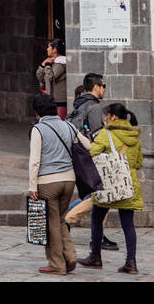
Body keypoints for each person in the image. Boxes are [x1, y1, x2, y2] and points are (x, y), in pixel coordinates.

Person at [28, 92, 89, 275]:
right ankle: (70, 256)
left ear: (37, 112)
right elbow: (87, 146)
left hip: (48, 182)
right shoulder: (68, 126)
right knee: (61, 219)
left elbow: (35, 160)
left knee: (51, 223)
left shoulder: (38, 129)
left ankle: (56, 264)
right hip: (69, 180)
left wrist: (32, 186)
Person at [78, 102, 142, 274]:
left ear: (112, 117)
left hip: (109, 184)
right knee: (128, 224)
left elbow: (92, 153)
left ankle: (95, 257)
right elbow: (138, 162)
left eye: (105, 115)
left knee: (97, 218)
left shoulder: (107, 133)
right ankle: (131, 262)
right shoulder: (134, 135)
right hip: (129, 184)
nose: (104, 119)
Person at [64, 72, 120, 250]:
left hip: (78, 156)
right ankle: (66, 221)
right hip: (91, 157)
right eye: (103, 86)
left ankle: (96, 235)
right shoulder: (95, 108)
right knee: (98, 195)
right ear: (96, 87)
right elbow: (98, 135)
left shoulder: (78, 105)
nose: (104, 89)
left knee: (92, 195)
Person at [36, 39, 68, 118]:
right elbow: (39, 76)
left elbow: (50, 77)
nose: (47, 49)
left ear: (54, 49)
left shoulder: (61, 63)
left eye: (49, 47)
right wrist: (43, 64)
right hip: (50, 99)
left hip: (58, 101)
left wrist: (47, 65)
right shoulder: (51, 62)